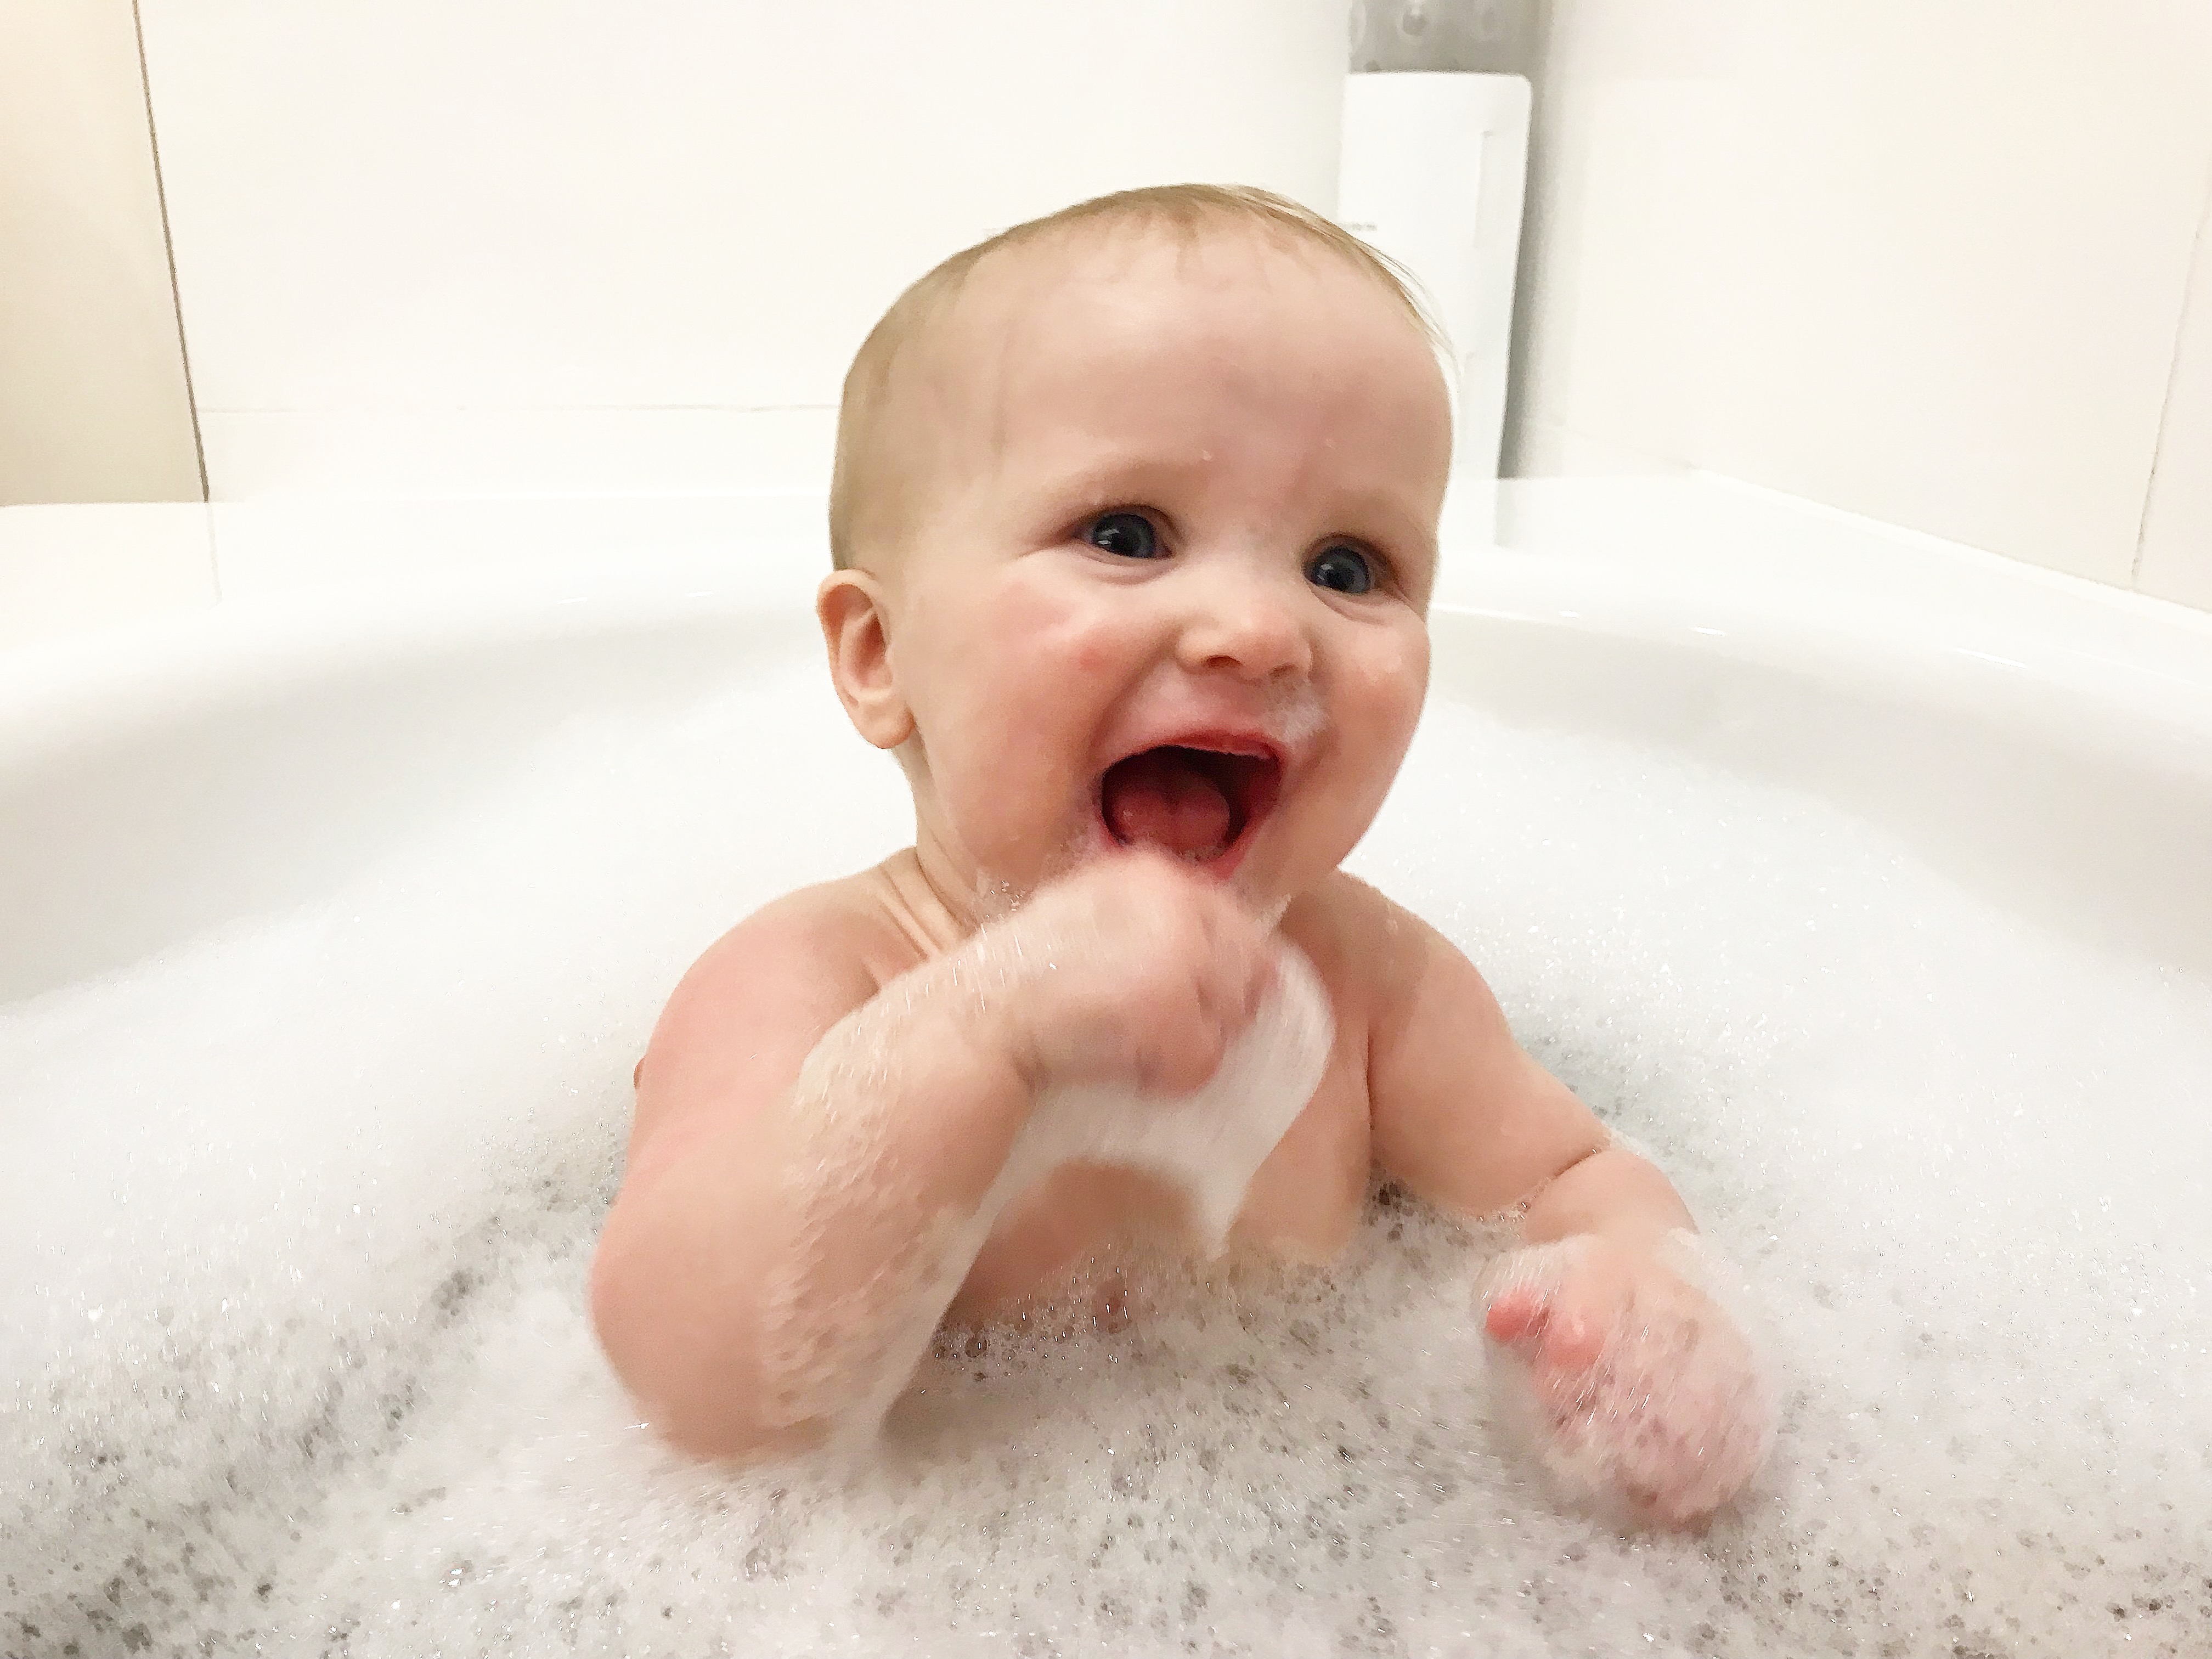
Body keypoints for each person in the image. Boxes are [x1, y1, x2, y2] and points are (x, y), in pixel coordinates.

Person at [590, 184, 1771, 1525]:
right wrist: (984, 1026)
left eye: (1348, 563)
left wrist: (1641, 1292)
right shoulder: (812, 977)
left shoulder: (1369, 981)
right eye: (1127, 536)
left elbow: (1565, 1173)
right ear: (880, 658)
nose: (1262, 630)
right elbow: (702, 1391)